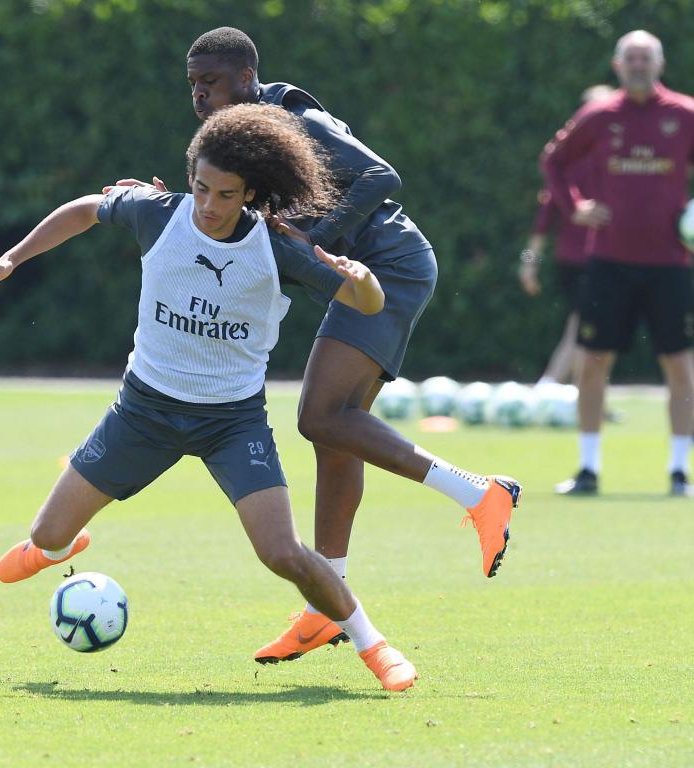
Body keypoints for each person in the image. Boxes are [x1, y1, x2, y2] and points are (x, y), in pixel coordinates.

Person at [0, 104, 420, 691]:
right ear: (189, 177)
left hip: (232, 425)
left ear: (250, 193)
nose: (208, 204)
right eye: (200, 187)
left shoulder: (280, 248)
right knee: (46, 537)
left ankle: (375, 647)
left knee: (282, 553)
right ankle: (56, 546)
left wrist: (364, 280)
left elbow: (366, 305)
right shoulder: (156, 212)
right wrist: (7, 262)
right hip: (142, 414)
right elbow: (82, 211)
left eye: (226, 194)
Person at [174, 27, 521, 664]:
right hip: (362, 275)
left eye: (211, 83)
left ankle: (481, 494)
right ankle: (321, 609)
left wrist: (314, 239)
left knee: (321, 416)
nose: (199, 96)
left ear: (248, 78)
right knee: (333, 435)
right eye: (193, 85)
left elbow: (380, 174)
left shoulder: (288, 114)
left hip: (390, 264)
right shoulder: (235, 141)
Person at [541, 30, 694, 497]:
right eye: (631, 59)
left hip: (672, 263)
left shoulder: (685, 115)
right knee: (592, 363)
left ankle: (679, 471)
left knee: (681, 367)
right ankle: (587, 469)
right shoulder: (600, 114)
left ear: (660, 64)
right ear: (617, 65)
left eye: (646, 58)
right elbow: (555, 161)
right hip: (609, 260)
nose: (639, 66)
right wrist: (576, 207)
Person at [519, 85, 615, 387]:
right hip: (582, 263)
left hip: (611, 258)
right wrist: (529, 263)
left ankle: (585, 395)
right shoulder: (568, 166)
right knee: (580, 328)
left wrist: (528, 264)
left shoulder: (616, 163)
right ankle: (549, 387)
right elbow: (542, 223)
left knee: (594, 331)